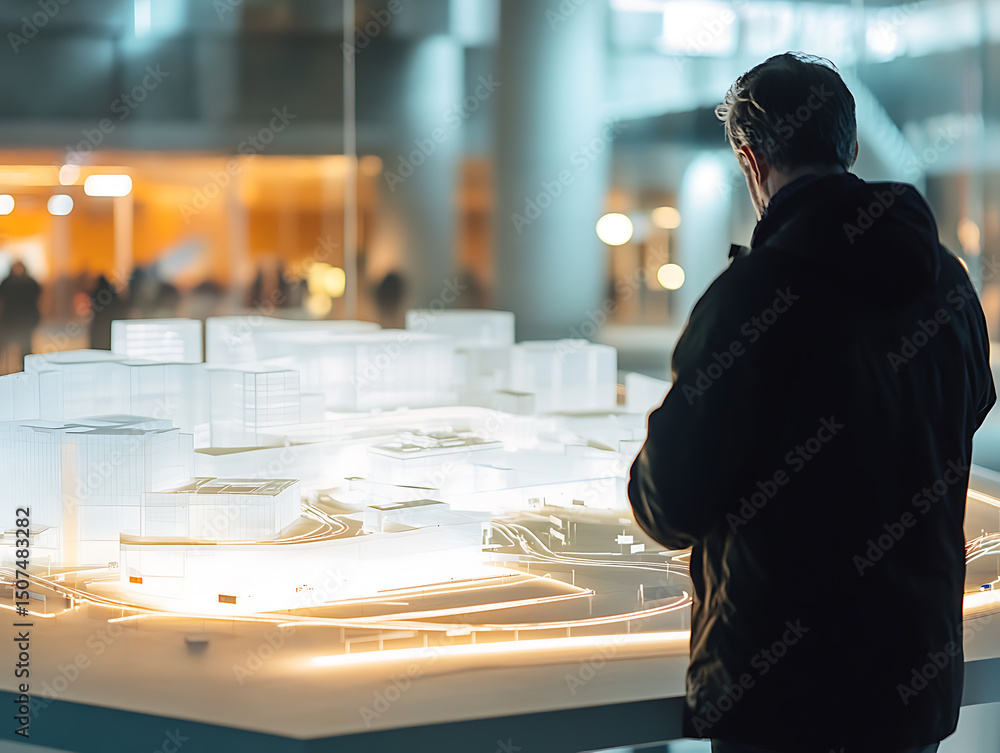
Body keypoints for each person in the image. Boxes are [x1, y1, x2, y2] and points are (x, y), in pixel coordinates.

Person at [627, 53, 995, 753]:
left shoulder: (751, 300)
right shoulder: (947, 287)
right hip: (913, 682)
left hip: (783, 698)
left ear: (749, 160)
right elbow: (966, 409)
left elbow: (669, 503)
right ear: (851, 147)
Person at [0, 261, 42, 371]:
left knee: (25, 348)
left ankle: (26, 370)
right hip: (10, 321)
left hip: (25, 322)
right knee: (6, 347)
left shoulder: (30, 283)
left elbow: (38, 299)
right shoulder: (7, 283)